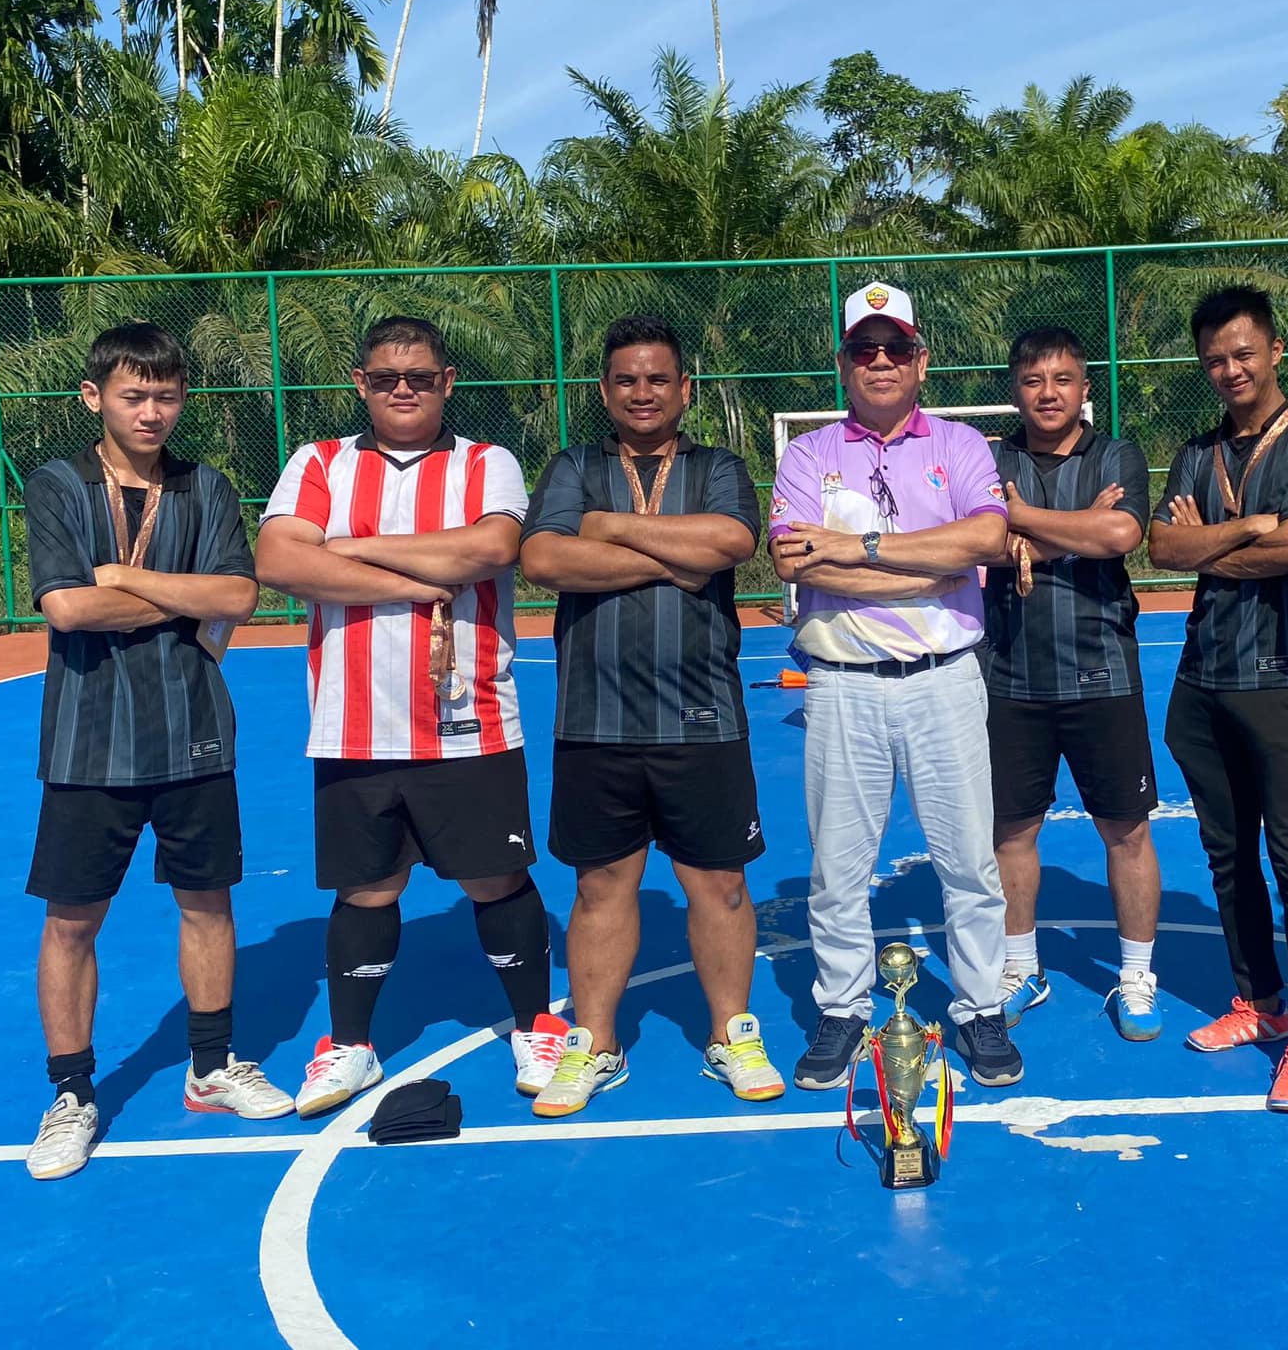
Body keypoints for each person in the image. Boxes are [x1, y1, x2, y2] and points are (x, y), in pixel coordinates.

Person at [256, 315, 563, 1117]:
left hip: (469, 715)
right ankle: (351, 1045)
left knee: (494, 876)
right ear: (360, 383)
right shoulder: (317, 461)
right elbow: (280, 560)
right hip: (352, 721)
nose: (403, 390)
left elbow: (489, 551)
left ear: (446, 382)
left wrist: (348, 549)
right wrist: (420, 577)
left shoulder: (486, 462)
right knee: (366, 887)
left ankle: (536, 1025)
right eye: (387, 377)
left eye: (420, 377)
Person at [20, 322, 286, 1180]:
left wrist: (128, 579)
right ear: (93, 397)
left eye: (165, 396)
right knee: (72, 922)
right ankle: (72, 1095)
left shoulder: (207, 487)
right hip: (88, 741)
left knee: (208, 904)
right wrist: (185, 597)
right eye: (134, 395)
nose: (151, 412)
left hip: (193, 732)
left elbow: (239, 596)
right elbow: (66, 608)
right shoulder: (57, 486)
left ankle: (211, 1068)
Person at [518, 316, 782, 1114]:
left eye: (658, 379)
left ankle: (732, 1033)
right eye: (627, 380)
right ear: (604, 391)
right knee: (601, 885)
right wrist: (674, 558)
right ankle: (595, 1042)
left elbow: (731, 542)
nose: (643, 393)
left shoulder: (718, 467)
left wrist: (609, 530)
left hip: (702, 718)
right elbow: (543, 558)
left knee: (722, 885)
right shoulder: (574, 466)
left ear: (684, 389)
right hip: (594, 719)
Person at [767, 280, 1021, 1091]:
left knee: (969, 863)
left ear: (921, 359)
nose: (881, 361)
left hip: (944, 681)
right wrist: (931, 566)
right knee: (838, 869)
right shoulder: (808, 454)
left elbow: (987, 538)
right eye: (864, 348)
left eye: (896, 347)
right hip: (842, 684)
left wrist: (860, 549)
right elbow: (796, 561)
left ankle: (979, 1008)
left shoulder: (961, 444)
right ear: (844, 361)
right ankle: (842, 1008)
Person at [1147, 285, 1288, 1113]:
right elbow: (1162, 547)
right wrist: (1245, 529)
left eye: (1243, 354)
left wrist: (1212, 541)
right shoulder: (1197, 451)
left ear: (1274, 352)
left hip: (1284, 678)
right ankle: (1260, 1003)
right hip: (1203, 680)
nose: (1230, 370)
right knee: (1227, 857)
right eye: (1214, 360)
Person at [981, 326, 1163, 1041]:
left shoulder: (1117, 454)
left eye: (1062, 379)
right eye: (1033, 381)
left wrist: (1023, 520)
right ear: (1015, 392)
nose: (1048, 393)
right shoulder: (989, 459)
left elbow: (1120, 537)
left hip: (1102, 673)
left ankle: (1136, 976)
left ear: (1085, 388)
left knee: (1126, 831)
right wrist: (1079, 526)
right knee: (1011, 832)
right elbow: (977, 542)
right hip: (1009, 675)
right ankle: (1021, 967)